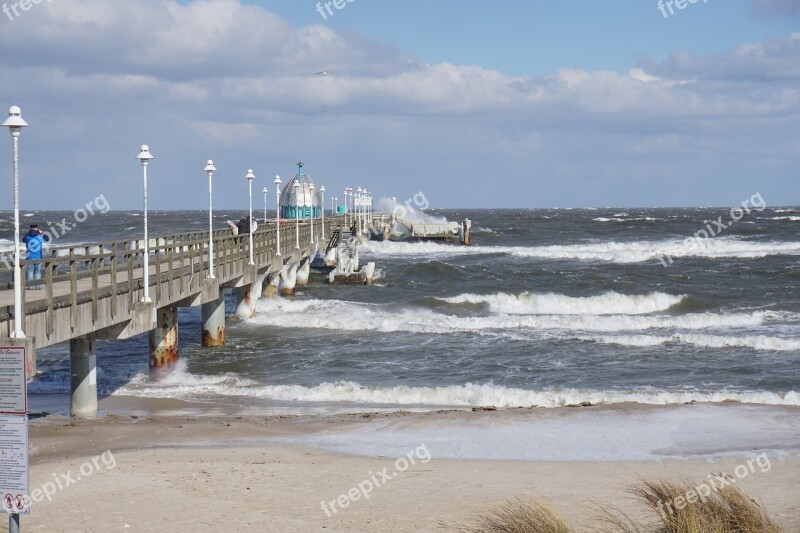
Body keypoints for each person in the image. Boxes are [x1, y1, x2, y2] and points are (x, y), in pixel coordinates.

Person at [22, 224, 49, 289]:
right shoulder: (39, 237)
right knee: (37, 272)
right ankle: (37, 286)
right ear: (37, 229)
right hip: (38, 257)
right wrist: (41, 232)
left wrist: (29, 232)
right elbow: (47, 239)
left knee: (30, 271)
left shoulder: (27, 237)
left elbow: (23, 239)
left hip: (29, 257)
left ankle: (30, 286)